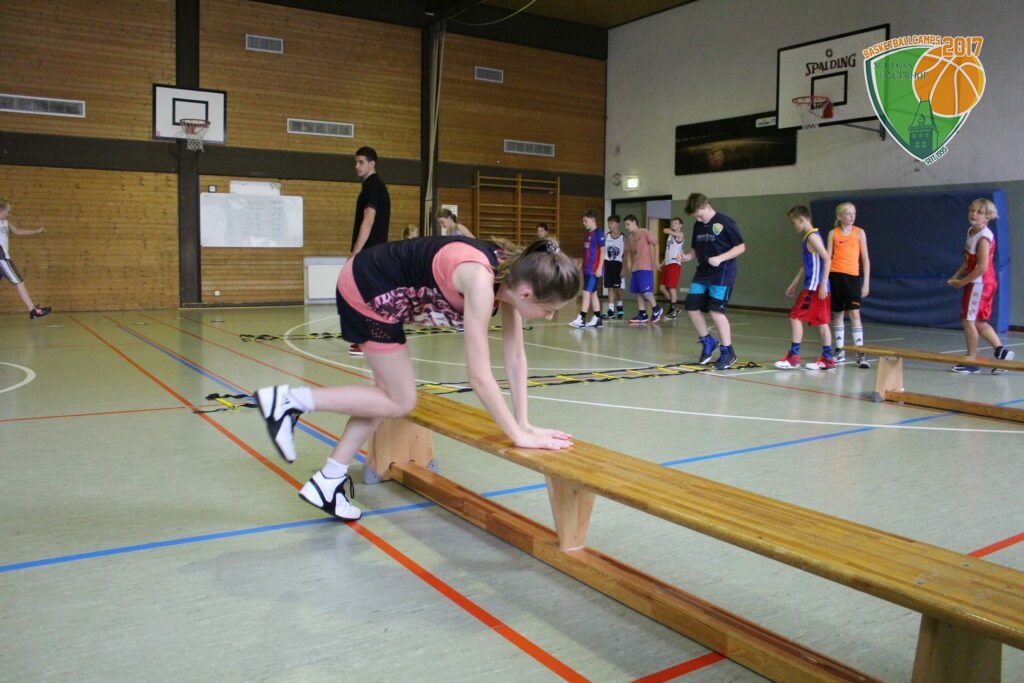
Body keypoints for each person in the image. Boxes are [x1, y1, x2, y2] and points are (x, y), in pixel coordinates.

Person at [255, 237, 581, 520]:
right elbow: (480, 377)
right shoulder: (481, 281)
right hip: (368, 287)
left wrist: (524, 423)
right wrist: (517, 436)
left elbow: (515, 357)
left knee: (385, 398)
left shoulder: (512, 276)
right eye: (549, 309)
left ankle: (327, 481)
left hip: (379, 286)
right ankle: (289, 401)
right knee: (399, 400)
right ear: (527, 294)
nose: (551, 316)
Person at [946, 198, 1015, 374]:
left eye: (979, 212)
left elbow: (982, 267)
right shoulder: (971, 231)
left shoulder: (983, 238)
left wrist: (962, 282)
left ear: (987, 217)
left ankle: (972, 361)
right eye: (972, 210)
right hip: (978, 282)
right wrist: (956, 276)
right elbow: (968, 260)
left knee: (968, 320)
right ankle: (1001, 351)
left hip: (980, 283)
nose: (974, 214)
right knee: (977, 321)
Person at [683, 193, 745, 369]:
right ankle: (708, 341)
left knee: (715, 311)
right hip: (703, 272)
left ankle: (728, 351)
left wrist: (720, 258)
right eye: (696, 217)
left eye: (699, 215)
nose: (698, 219)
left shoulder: (726, 222)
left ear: (707, 206)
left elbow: (741, 247)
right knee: (691, 306)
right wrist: (687, 257)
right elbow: (695, 249)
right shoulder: (698, 225)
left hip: (722, 272)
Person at [775, 206, 835, 370]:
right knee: (822, 322)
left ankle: (793, 357)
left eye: (793, 222)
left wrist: (823, 283)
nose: (793, 225)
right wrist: (795, 282)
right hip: (818, 287)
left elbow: (827, 259)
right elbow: (806, 264)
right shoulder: (811, 236)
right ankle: (828, 358)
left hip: (814, 288)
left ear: (801, 219)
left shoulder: (812, 237)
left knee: (795, 317)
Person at [348, 146, 391, 357]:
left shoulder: (373, 186)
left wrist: (356, 252)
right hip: (374, 251)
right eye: (356, 162)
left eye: (361, 162)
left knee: (364, 295)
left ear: (372, 164)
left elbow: (368, 220)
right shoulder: (372, 186)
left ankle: (369, 340)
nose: (357, 166)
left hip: (370, 251)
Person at [826, 202, 871, 368]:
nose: (852, 216)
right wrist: (824, 281)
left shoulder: (859, 233)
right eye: (848, 213)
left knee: (855, 314)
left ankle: (860, 352)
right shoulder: (833, 233)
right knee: (838, 314)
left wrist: (866, 283)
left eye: (854, 213)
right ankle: (840, 351)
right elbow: (828, 257)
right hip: (836, 276)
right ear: (840, 216)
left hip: (853, 278)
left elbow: (865, 259)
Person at [0, 197, 51, 319]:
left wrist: (36, 231)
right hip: (2, 258)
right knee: (19, 281)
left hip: (3, 258)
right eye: (8, 211)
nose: (9, 214)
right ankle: (33, 310)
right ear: (1, 210)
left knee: (19, 280)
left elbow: (17, 231)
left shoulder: (5, 222)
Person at [623, 214, 662, 324]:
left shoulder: (644, 232)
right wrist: (629, 262)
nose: (626, 227)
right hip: (636, 268)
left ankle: (656, 308)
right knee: (637, 291)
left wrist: (656, 260)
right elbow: (628, 252)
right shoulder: (630, 238)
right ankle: (642, 314)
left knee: (645, 291)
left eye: (628, 224)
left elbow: (656, 244)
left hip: (645, 266)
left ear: (634, 222)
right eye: (625, 225)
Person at [569, 210, 604, 328]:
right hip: (587, 268)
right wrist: (582, 266)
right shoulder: (587, 234)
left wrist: (599, 268)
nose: (584, 223)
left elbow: (603, 251)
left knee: (586, 292)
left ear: (593, 220)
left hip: (594, 269)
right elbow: (587, 253)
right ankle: (597, 318)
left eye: (586, 221)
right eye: (583, 221)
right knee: (593, 293)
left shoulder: (599, 233)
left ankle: (582, 318)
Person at [659, 218, 693, 319]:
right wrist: (662, 263)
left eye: (676, 223)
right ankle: (675, 307)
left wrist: (670, 230)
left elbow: (665, 230)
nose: (673, 224)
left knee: (671, 288)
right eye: (672, 223)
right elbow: (668, 251)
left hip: (674, 264)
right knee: (662, 287)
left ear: (680, 225)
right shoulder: (671, 236)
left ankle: (673, 311)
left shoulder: (680, 235)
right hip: (667, 263)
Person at [603, 215, 625, 319]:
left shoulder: (623, 237)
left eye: (611, 223)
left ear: (617, 224)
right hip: (608, 263)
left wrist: (624, 268)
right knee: (610, 287)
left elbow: (626, 254)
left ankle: (620, 305)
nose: (609, 225)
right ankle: (611, 309)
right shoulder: (606, 236)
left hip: (618, 264)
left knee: (619, 288)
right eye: (609, 223)